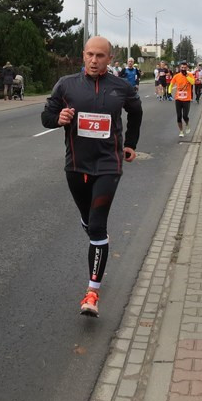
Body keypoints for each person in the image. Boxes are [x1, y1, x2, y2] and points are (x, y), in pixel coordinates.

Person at [41, 36, 143, 318]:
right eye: (90, 55)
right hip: (76, 165)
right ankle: (96, 234)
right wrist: (58, 118)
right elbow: (47, 116)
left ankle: (92, 293)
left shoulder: (120, 87)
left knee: (97, 229)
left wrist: (130, 143)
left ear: (110, 58)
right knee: (88, 221)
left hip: (109, 165)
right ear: (83, 56)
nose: (94, 60)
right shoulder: (66, 85)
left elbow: (136, 112)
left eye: (100, 56)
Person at [168, 61, 195, 138]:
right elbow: (171, 85)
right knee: (179, 116)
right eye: (182, 67)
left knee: (185, 116)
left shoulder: (190, 75)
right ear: (180, 68)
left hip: (186, 99)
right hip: (178, 99)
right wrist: (169, 92)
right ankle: (181, 131)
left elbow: (192, 82)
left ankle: (187, 124)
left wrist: (186, 76)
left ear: (187, 68)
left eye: (184, 68)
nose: (183, 69)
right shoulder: (176, 76)